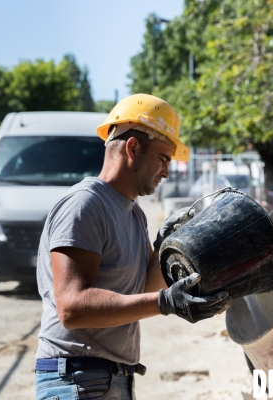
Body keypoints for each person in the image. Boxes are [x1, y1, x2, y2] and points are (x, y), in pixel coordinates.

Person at [34, 94, 232, 400]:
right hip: (75, 378)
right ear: (133, 148)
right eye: (164, 158)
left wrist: (166, 244)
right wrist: (166, 302)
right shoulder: (85, 204)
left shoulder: (134, 213)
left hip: (111, 378)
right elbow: (72, 307)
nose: (166, 172)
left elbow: (144, 288)